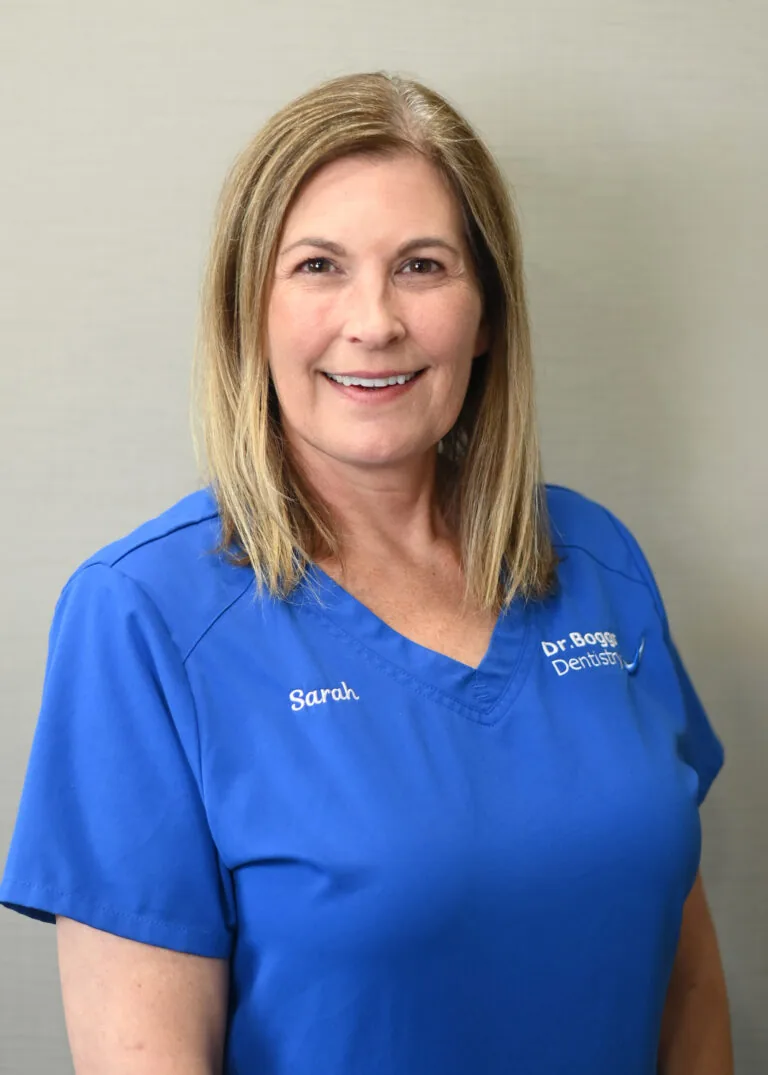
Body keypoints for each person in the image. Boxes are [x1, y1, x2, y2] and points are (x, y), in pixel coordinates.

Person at [0, 71, 732, 1074]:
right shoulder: (141, 619)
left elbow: (685, 981)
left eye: (423, 266)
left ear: (486, 315)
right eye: (318, 267)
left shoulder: (599, 562)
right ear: (246, 310)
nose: (374, 320)